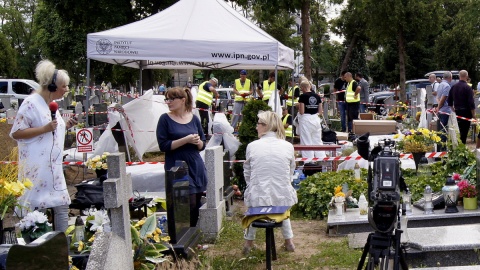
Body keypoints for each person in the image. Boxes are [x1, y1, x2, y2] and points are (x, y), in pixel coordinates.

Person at [10, 59, 76, 232]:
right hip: (37, 169)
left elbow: (53, 129)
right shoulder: (31, 103)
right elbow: (17, 133)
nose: (66, 90)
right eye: (64, 86)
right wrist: (44, 129)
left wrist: (66, 125)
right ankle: (36, 246)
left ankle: (62, 249)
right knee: (36, 209)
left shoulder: (51, 105)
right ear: (53, 86)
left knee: (62, 206)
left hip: (53, 168)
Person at [243, 111, 297, 254]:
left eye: (258, 124)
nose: (256, 127)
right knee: (282, 204)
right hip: (283, 197)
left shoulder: (252, 146)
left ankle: (248, 243)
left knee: (254, 204)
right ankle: (289, 241)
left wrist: (253, 186)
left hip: (258, 197)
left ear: (266, 126)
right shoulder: (287, 146)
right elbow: (290, 172)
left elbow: (247, 173)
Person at [156, 87, 207, 227]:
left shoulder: (194, 118)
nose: (168, 102)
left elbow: (203, 144)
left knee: (196, 201)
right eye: (167, 99)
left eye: (172, 99)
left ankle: (192, 233)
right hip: (176, 165)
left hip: (195, 164)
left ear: (183, 100)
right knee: (186, 201)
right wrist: (185, 140)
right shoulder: (165, 119)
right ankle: (180, 234)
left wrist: (197, 142)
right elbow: (163, 145)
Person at [298, 77, 324, 159]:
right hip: (316, 119)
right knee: (317, 141)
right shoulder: (317, 96)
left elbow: (301, 111)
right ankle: (321, 159)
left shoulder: (303, 96)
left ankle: (309, 161)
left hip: (306, 119)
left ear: (302, 88)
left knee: (306, 141)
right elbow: (320, 111)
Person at [447, 70, 475, 145]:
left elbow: (449, 101)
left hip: (457, 111)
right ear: (467, 76)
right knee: (464, 132)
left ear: (459, 76)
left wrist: (453, 109)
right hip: (466, 112)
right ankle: (462, 145)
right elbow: (471, 103)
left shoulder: (454, 87)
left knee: (457, 130)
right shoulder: (468, 87)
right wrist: (473, 115)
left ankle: (457, 145)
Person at [435, 71, 452, 148]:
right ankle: (442, 149)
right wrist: (439, 106)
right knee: (444, 131)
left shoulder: (440, 84)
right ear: (449, 77)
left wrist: (439, 107)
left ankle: (439, 147)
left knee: (440, 129)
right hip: (445, 110)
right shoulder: (447, 86)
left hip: (441, 110)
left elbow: (438, 97)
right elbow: (444, 98)